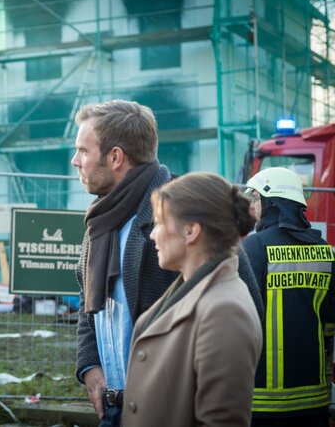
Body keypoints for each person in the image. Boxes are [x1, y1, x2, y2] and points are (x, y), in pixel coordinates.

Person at [70, 99, 263, 426]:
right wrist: (90, 366)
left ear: (115, 157)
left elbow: (244, 308)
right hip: (115, 410)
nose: (76, 161)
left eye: (83, 151)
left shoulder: (186, 212)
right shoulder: (101, 218)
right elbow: (88, 300)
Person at [122, 172, 263, 426]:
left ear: (191, 231)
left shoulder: (225, 311)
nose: (153, 234)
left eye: (159, 222)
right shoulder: (191, 288)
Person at [242, 167, 335, 427]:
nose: (253, 207)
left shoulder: (255, 246)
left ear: (272, 203)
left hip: (262, 402)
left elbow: (238, 319)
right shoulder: (324, 250)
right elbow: (329, 325)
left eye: (257, 199)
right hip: (314, 400)